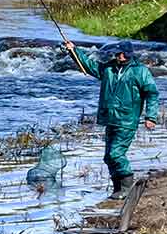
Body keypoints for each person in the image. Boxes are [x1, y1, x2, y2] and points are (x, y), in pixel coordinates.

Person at [63, 40, 159, 200]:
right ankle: (118, 188)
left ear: (129, 54)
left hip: (128, 120)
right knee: (108, 156)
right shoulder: (108, 68)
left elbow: (152, 94)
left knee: (116, 154)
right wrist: (73, 51)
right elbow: (88, 65)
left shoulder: (140, 71)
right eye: (117, 53)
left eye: (121, 53)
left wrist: (151, 117)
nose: (118, 56)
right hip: (110, 119)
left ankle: (128, 187)